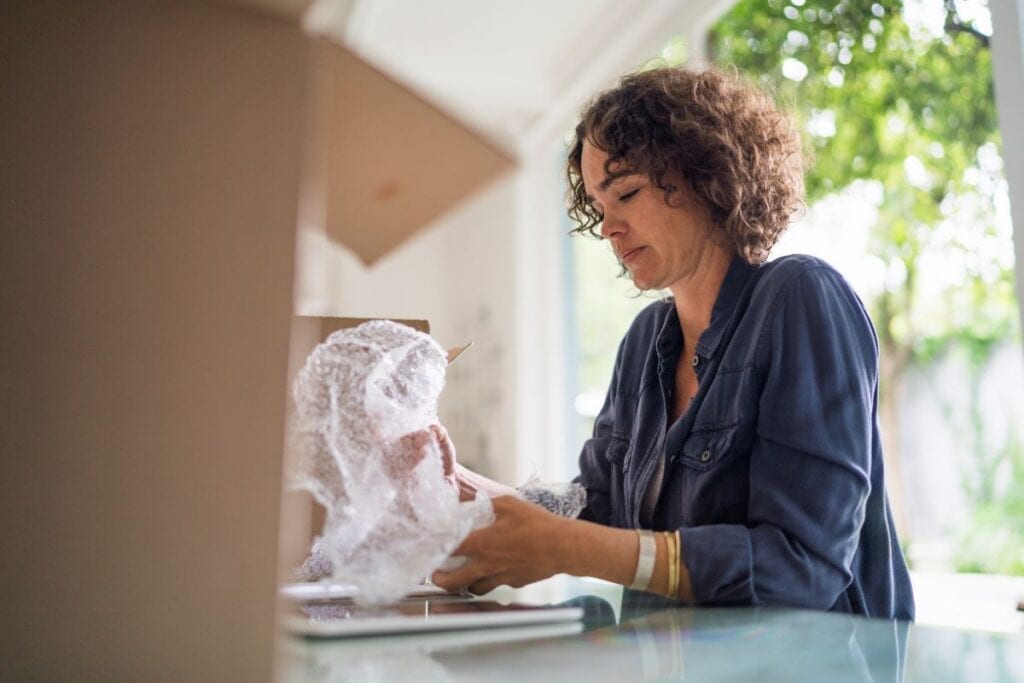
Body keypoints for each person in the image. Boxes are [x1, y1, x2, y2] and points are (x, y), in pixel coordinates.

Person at [431, 65, 915, 620]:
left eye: (628, 194)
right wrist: (450, 483)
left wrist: (566, 546)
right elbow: (595, 507)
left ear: (705, 175)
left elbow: (802, 566)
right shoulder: (644, 343)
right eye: (599, 207)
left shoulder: (799, 297)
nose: (609, 228)